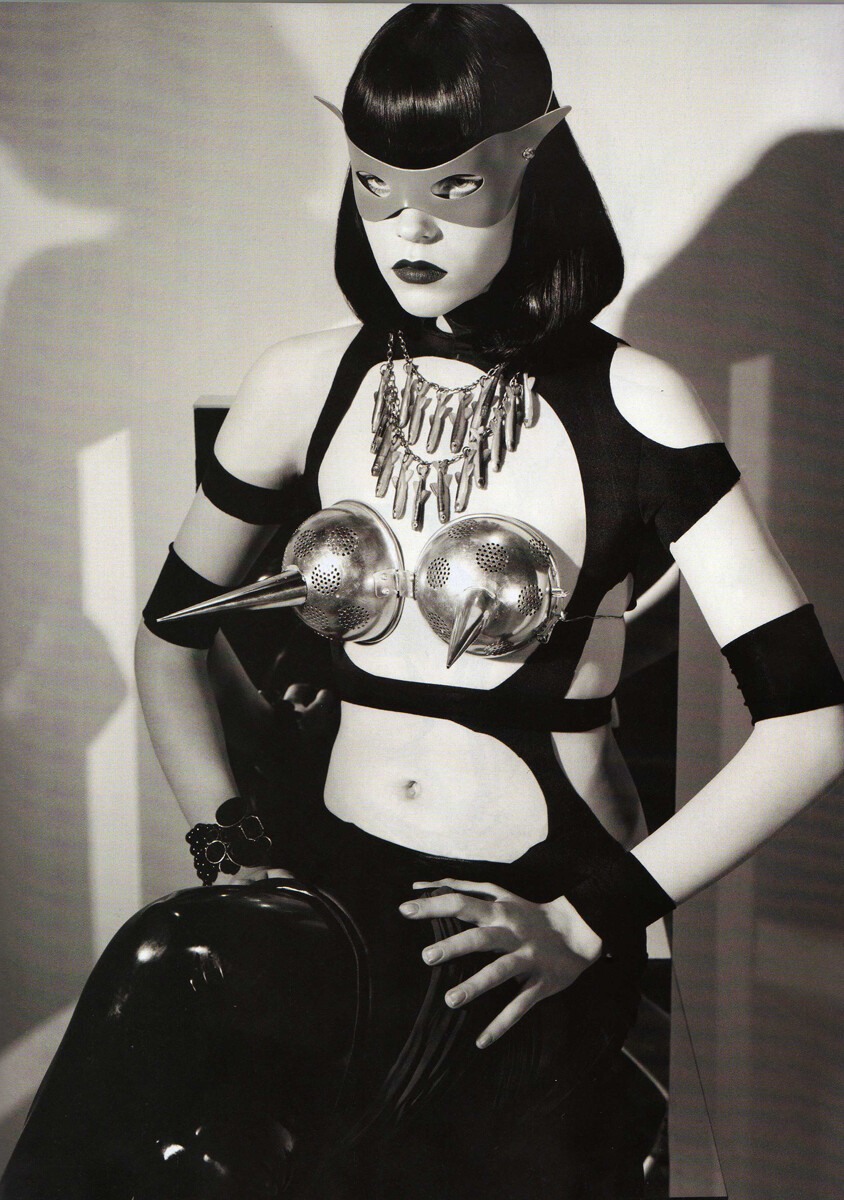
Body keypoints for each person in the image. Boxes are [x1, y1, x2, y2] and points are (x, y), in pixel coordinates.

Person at [3, 6, 842, 1198]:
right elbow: (168, 636)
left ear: (534, 171)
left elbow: (808, 718)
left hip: (523, 920)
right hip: (332, 883)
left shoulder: (634, 403)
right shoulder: (303, 381)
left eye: (455, 187)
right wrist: (229, 844)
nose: (410, 227)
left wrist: (591, 917)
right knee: (175, 998)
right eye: (375, 188)